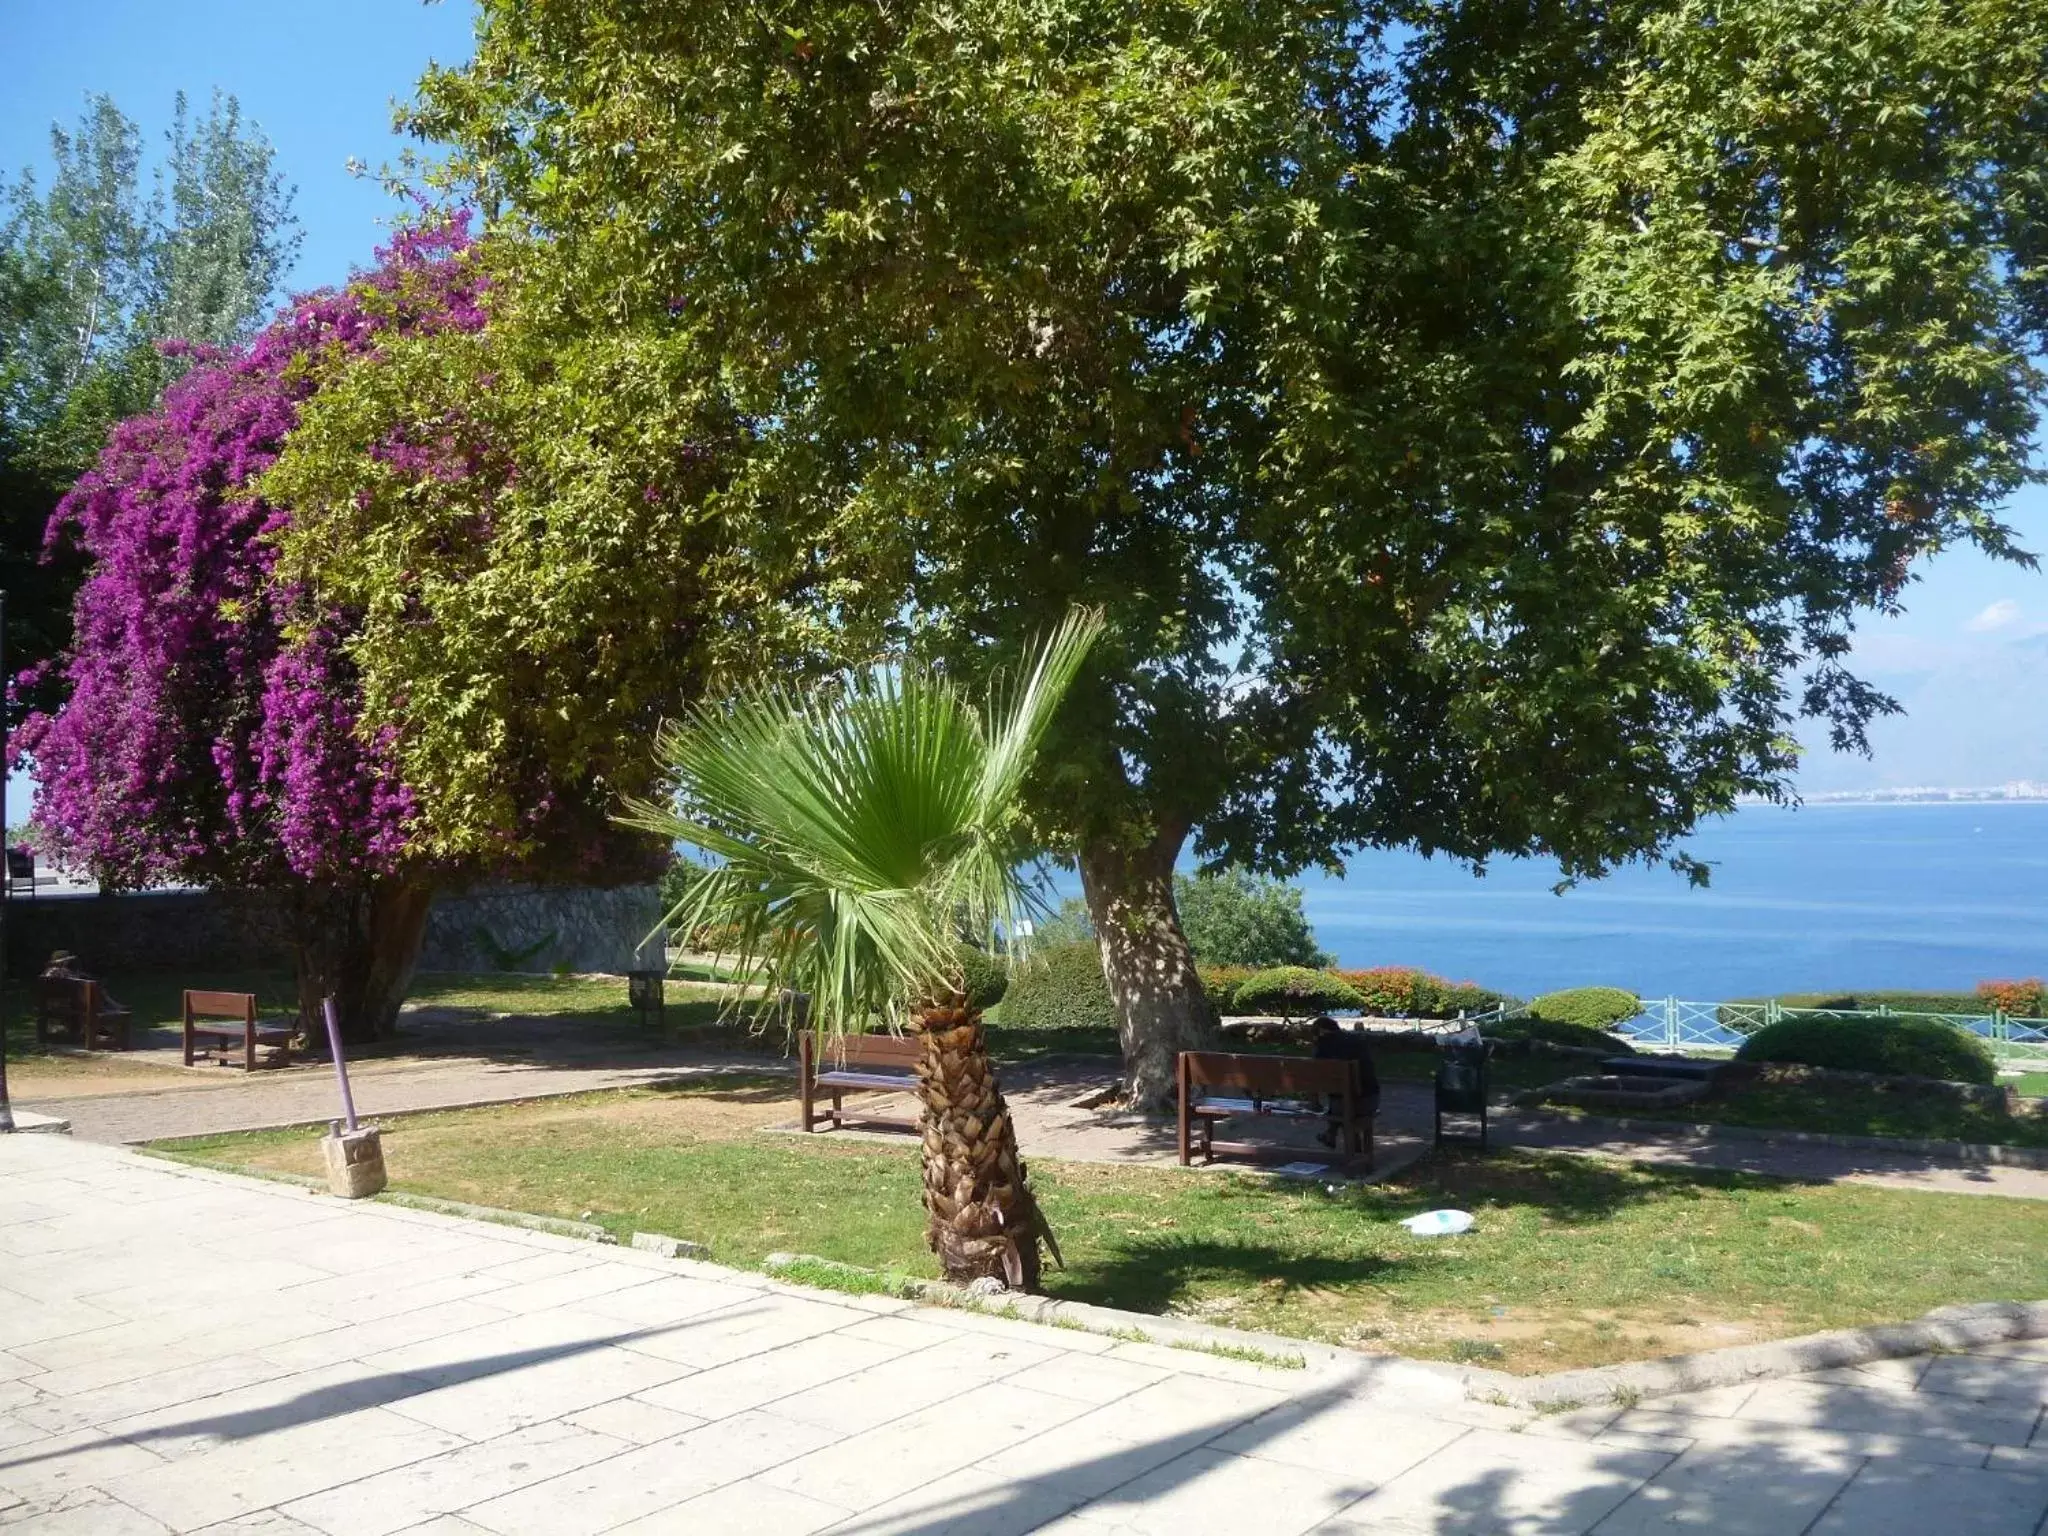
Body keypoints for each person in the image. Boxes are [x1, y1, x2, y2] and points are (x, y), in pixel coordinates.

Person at [1310, 1014, 1379, 1150]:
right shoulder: (1356, 1041)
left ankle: (1332, 1134)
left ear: (1321, 1032)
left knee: (1341, 1104)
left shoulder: (1324, 1047)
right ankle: (1336, 1136)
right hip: (1371, 1099)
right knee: (1343, 1101)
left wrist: (1314, 1102)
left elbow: (1316, 1077)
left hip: (1345, 1105)